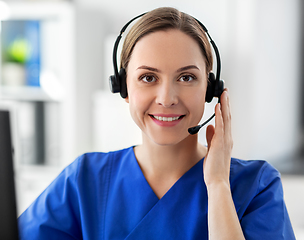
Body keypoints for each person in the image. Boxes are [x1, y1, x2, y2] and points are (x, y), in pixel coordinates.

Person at [18, 7, 295, 240]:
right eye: (148, 78)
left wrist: (218, 185)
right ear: (123, 87)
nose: (167, 98)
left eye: (186, 78)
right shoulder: (84, 181)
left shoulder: (256, 187)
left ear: (210, 89)